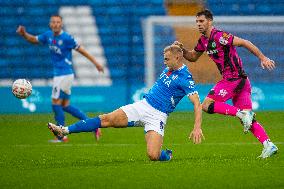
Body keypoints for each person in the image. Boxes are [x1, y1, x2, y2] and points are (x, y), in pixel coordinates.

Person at [48, 45, 204, 161]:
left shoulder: (185, 78)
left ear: (177, 58)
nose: (164, 62)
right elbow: (176, 49)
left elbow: (197, 104)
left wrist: (197, 127)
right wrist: (178, 46)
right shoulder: (171, 65)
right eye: (164, 58)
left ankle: (167, 155)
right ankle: (64, 130)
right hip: (143, 106)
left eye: (166, 59)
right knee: (106, 119)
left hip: (158, 116)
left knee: (153, 155)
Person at [173, 9, 278, 158]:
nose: (198, 24)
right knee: (247, 120)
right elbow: (193, 57)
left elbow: (244, 42)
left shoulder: (220, 36)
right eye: (197, 22)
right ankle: (269, 145)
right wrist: (182, 50)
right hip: (241, 81)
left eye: (201, 21)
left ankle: (241, 114)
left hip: (233, 79)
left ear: (210, 21)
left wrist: (263, 58)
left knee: (206, 105)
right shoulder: (203, 41)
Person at [16, 15, 104, 142]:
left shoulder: (67, 38)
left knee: (55, 103)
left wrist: (96, 63)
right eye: (53, 22)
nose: (56, 24)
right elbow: (34, 39)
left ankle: (61, 136)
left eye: (58, 22)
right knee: (65, 105)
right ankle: (93, 126)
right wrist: (24, 34)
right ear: (50, 24)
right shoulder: (48, 35)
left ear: (61, 24)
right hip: (62, 75)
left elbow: (82, 50)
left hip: (64, 74)